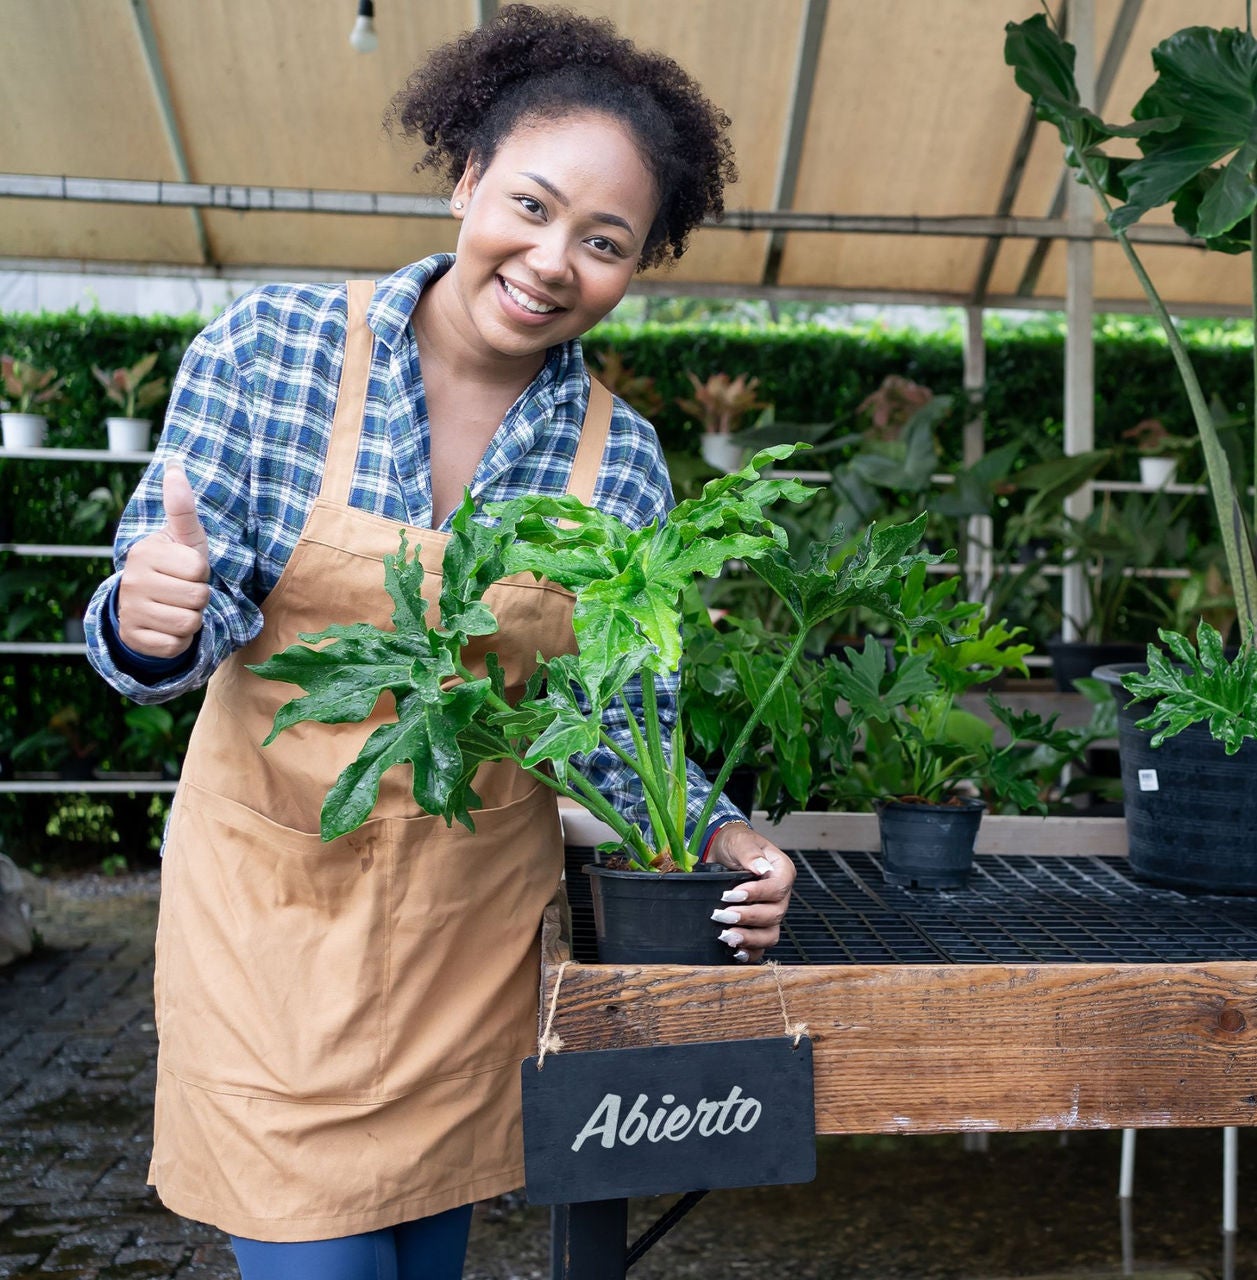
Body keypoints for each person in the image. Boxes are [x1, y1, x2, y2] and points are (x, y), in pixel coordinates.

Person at [84, 6, 797, 1277]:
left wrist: (726, 831)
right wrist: (153, 620)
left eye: (605, 241)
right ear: (465, 176)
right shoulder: (271, 348)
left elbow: (614, 732)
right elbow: (169, 628)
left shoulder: (618, 461)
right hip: (272, 933)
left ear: (638, 266)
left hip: (466, 951)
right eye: (529, 204)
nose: (552, 259)